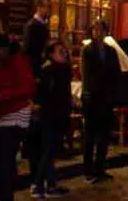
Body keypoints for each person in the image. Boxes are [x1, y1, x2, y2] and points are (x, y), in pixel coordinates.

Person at [0, 34, 35, 201]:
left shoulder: (18, 61)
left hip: (14, 114)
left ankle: (5, 195)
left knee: (4, 157)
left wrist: (4, 95)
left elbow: (27, 87)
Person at [81, 20, 121, 182]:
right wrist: (87, 93)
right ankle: (88, 170)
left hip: (106, 97)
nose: (98, 33)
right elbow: (86, 74)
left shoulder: (111, 51)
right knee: (90, 136)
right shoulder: (88, 50)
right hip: (93, 96)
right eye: (95, 30)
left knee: (104, 136)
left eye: (101, 30)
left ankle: (100, 168)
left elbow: (116, 72)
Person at [32, 41, 72, 198]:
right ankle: (38, 185)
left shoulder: (62, 69)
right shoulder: (48, 70)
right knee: (49, 151)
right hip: (49, 115)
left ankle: (51, 184)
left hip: (59, 114)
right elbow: (43, 94)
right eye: (60, 51)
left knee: (52, 151)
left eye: (64, 51)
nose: (64, 53)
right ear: (51, 54)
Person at [22, 0, 51, 171]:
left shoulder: (41, 25)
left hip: (41, 71)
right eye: (46, 7)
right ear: (39, 7)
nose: (48, 10)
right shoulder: (32, 26)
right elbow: (29, 51)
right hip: (36, 73)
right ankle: (31, 150)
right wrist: (35, 72)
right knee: (34, 112)